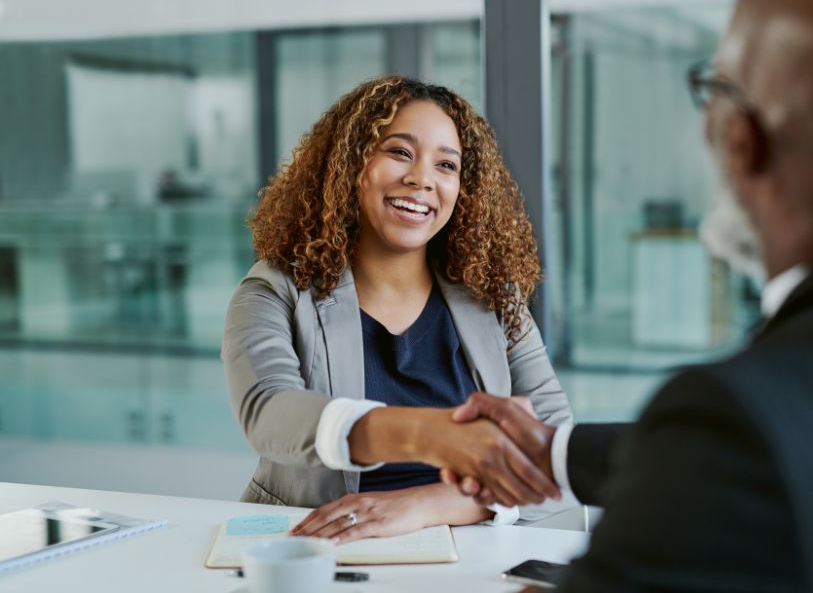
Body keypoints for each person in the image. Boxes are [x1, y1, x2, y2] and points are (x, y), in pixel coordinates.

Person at [427, 0, 813, 590]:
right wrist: (557, 454)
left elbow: (736, 456)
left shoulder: (737, 422)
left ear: (740, 138)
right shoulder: (797, 407)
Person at [222, 75, 574, 544]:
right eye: (399, 152)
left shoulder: (494, 298)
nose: (422, 179)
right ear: (351, 164)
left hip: (467, 551)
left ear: (463, 189)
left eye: (446, 165)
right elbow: (268, 413)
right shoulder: (276, 290)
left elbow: (555, 454)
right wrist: (430, 435)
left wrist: (423, 505)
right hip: (319, 547)